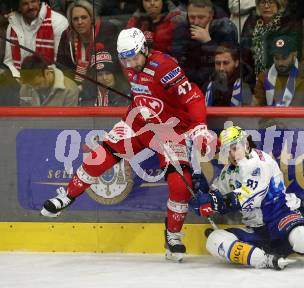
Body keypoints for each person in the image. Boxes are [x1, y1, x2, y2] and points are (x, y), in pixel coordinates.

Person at [40, 27, 214, 262]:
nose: (130, 64)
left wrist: (200, 127)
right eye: (125, 59)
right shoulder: (128, 64)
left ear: (144, 49)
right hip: (137, 121)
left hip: (169, 130)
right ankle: (67, 196)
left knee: (179, 185)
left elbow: (192, 96)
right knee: (100, 155)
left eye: (134, 57)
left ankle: (173, 236)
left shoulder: (165, 67)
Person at [189, 125, 304, 270]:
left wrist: (214, 202)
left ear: (245, 144)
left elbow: (249, 198)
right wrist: (203, 195)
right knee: (214, 240)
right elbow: (217, 194)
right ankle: (265, 260)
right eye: (228, 150)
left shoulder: (258, 162)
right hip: (257, 231)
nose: (232, 153)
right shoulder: (229, 171)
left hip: (281, 219)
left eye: (235, 147)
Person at [175, 0, 238, 87]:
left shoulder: (224, 29)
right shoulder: (182, 29)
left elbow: (227, 62)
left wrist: (208, 42)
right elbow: (178, 61)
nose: (196, 22)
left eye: (201, 17)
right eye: (192, 17)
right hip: (188, 83)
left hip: (218, 83)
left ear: (211, 16)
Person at [56, 0, 119, 84]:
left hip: (107, 82)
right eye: (75, 19)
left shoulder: (107, 30)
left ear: (92, 18)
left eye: (84, 17)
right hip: (77, 85)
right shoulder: (66, 36)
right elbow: (61, 66)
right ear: (71, 22)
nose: (80, 22)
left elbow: (116, 64)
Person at [3, 0, 68, 78]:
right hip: (19, 79)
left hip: (48, 79)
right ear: (19, 8)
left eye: (33, 1)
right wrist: (18, 78)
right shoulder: (13, 24)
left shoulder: (58, 22)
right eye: (25, 4)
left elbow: (60, 63)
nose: (30, 7)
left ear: (39, 1)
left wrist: (35, 79)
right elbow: (9, 61)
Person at [253, 35, 304, 106]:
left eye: (284, 58)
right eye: (276, 58)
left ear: (294, 55)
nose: (280, 63)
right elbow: (257, 107)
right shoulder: (264, 77)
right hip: (271, 117)